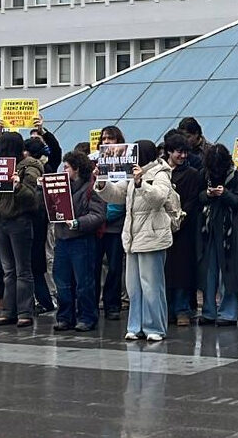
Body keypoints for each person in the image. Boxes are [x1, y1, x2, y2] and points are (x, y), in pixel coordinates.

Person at [96, 140, 175, 341]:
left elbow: (159, 198)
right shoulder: (131, 174)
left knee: (151, 285)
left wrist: (141, 184)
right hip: (132, 237)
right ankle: (135, 325)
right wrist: (102, 183)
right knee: (133, 285)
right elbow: (116, 195)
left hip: (152, 235)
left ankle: (155, 327)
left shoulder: (160, 173)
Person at [0, 131, 41, 327]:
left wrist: (18, 186)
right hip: (1, 220)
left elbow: (33, 199)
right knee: (8, 270)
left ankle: (24, 311)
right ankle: (8, 309)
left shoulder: (30, 167)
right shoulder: (0, 166)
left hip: (19, 220)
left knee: (22, 270)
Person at [197, 144, 238, 326]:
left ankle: (228, 313)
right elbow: (198, 197)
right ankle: (209, 311)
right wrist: (207, 194)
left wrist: (225, 194)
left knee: (228, 271)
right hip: (209, 228)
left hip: (230, 229)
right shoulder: (204, 175)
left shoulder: (236, 175)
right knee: (209, 270)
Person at [52, 151, 106, 332]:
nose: (63, 170)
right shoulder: (60, 187)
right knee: (63, 281)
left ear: (76, 169)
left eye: (66, 167)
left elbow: (98, 215)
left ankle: (87, 316)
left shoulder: (91, 187)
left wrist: (79, 223)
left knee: (84, 282)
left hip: (82, 240)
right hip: (62, 239)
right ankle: (65, 316)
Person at [162, 130, 203, 327]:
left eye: (185, 152)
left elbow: (192, 202)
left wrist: (177, 221)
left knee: (182, 272)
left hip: (183, 230)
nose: (183, 156)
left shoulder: (192, 174)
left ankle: (181, 309)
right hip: (163, 230)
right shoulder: (158, 173)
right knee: (165, 271)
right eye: (179, 152)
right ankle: (168, 310)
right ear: (169, 152)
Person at [95, 125, 127, 321]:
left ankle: (112, 304)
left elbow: (122, 197)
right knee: (95, 266)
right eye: (104, 138)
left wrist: (108, 214)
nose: (107, 142)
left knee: (114, 267)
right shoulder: (95, 163)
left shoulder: (126, 165)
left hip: (115, 226)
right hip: (96, 225)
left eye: (111, 139)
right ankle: (93, 303)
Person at [25, 135, 57, 314]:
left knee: (45, 260)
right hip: (42, 221)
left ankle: (49, 298)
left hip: (44, 222)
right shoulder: (43, 166)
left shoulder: (45, 168)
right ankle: (45, 298)